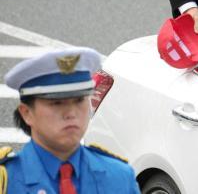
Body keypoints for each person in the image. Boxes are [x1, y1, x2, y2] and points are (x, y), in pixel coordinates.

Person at [0, 48, 139, 193]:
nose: (71, 113)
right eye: (57, 103)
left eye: (79, 100)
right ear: (27, 113)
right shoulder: (6, 182)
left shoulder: (119, 176)